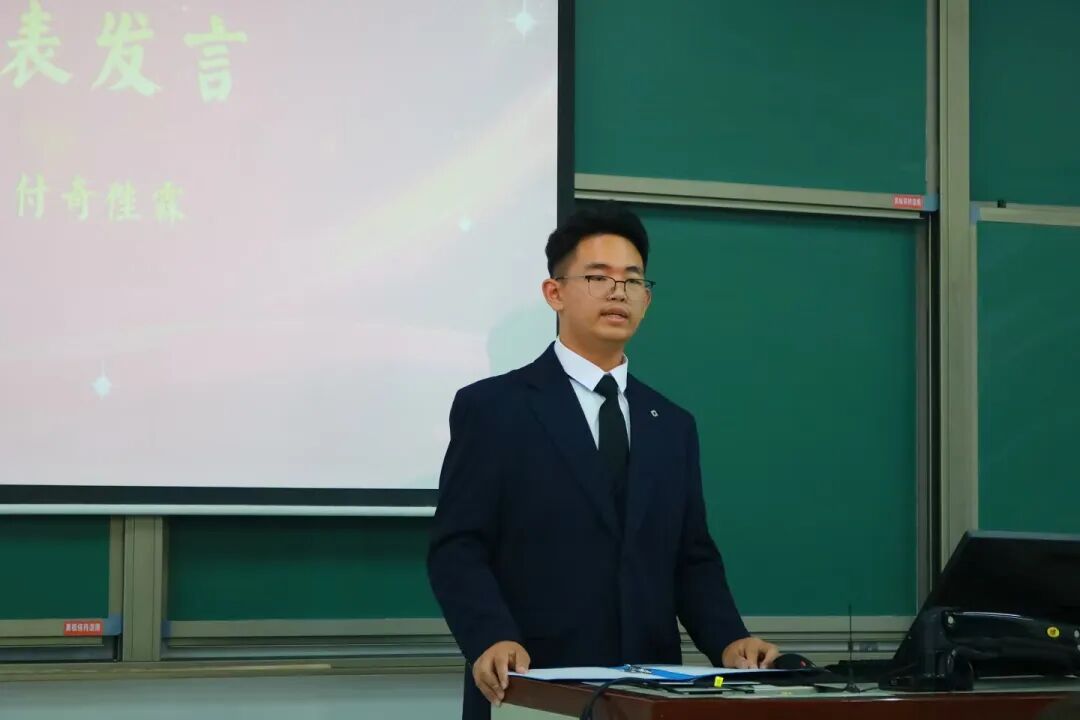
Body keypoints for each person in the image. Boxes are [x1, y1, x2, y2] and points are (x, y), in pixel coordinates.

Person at [428, 203, 778, 720]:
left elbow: (691, 557)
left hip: (648, 695)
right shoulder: (494, 408)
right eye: (598, 277)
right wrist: (490, 637)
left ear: (647, 300)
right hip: (531, 688)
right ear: (555, 293)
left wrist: (730, 639)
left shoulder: (672, 424)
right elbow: (458, 546)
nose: (618, 292)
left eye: (633, 280)